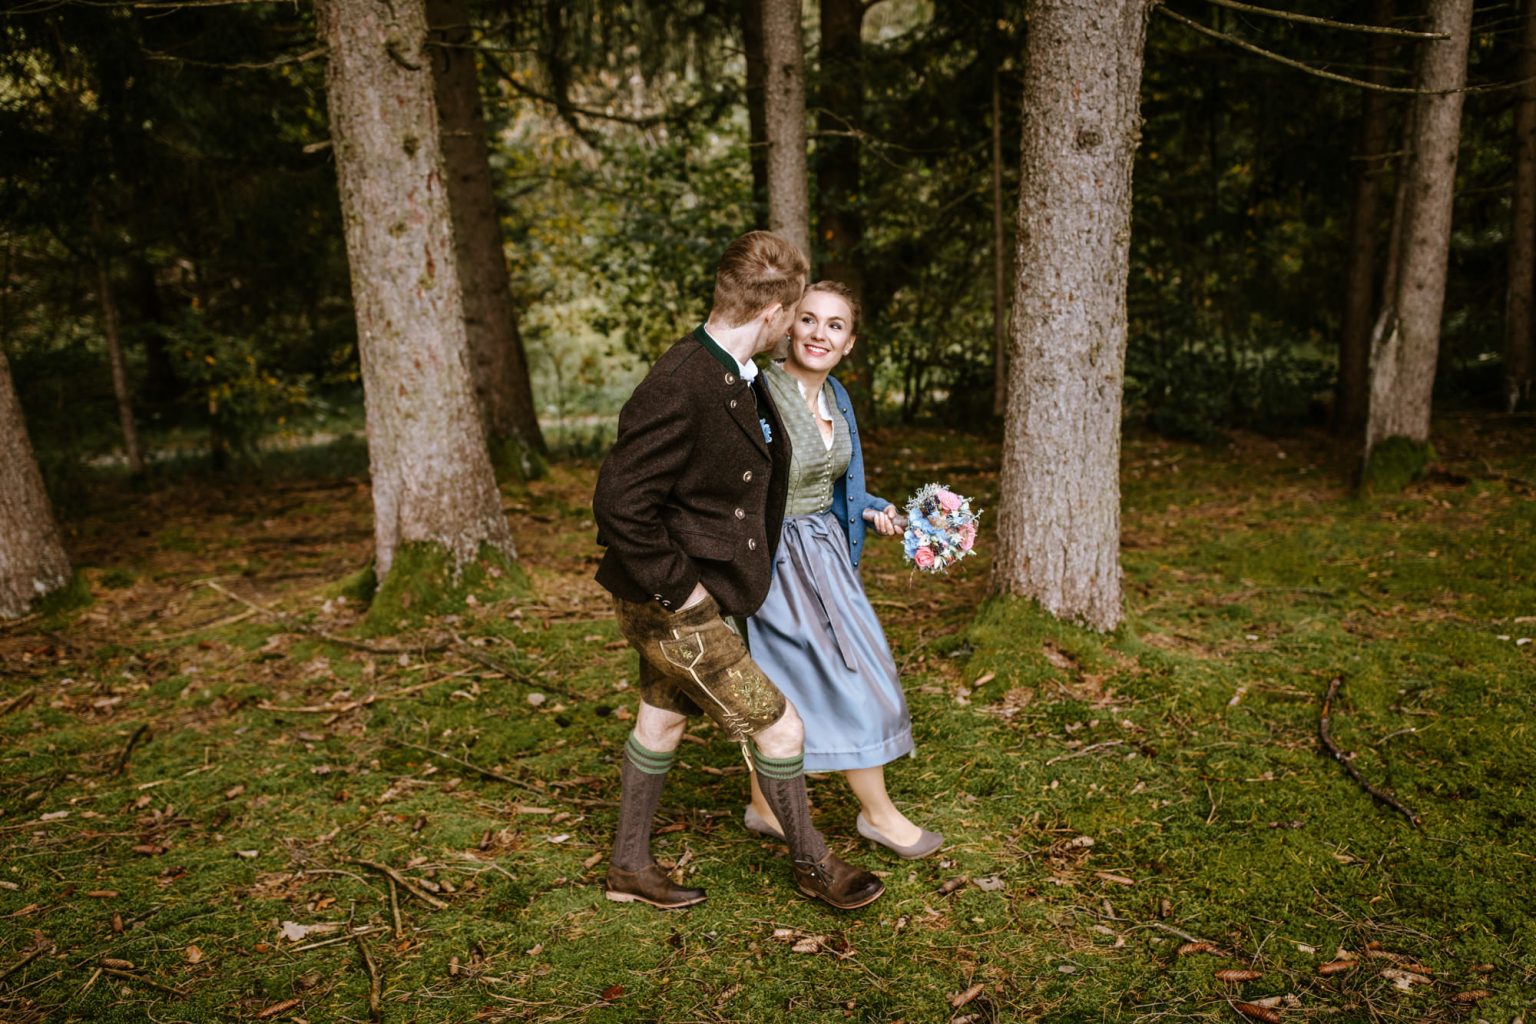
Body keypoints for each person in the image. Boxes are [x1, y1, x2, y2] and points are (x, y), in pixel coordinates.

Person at [592, 233, 885, 911]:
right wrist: (682, 590)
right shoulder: (681, 381)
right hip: (670, 600)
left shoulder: (734, 370)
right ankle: (814, 865)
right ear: (775, 312)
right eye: (794, 315)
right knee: (781, 727)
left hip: (704, 590)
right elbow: (619, 503)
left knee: (661, 722)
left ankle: (628, 868)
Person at [742, 281, 943, 859]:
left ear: (849, 342)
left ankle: (764, 805)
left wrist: (877, 509)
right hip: (774, 561)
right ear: (788, 326)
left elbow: (834, 486)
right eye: (809, 319)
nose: (819, 334)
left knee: (849, 669)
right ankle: (878, 814)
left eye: (835, 325)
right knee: (808, 679)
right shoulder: (758, 393)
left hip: (827, 557)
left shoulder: (838, 398)